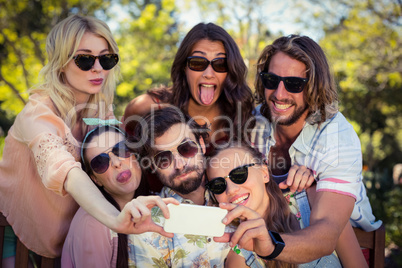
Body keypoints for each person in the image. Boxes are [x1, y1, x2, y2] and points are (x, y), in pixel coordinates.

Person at [0, 14, 148, 263]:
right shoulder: (36, 114)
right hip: (14, 232)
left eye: (106, 58)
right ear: (60, 63)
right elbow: (66, 170)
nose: (98, 68)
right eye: (85, 59)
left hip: (76, 230)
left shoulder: (102, 110)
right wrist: (113, 219)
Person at [244, 34, 381, 264]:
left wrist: (270, 245)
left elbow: (327, 235)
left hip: (346, 244)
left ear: (314, 87)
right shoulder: (253, 124)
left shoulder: (337, 137)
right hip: (274, 231)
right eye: (271, 79)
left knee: (311, 192)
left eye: (294, 84)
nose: (279, 94)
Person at [127, 107, 263, 267]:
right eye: (164, 158)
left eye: (186, 148)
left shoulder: (239, 193)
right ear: (152, 166)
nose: (179, 165)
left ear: (202, 145)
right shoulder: (145, 228)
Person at [207, 142, 370, 268]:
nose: (231, 189)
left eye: (239, 174)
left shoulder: (313, 201)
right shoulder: (239, 253)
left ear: (264, 174)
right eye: (218, 185)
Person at [123, 22, 255, 149]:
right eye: (198, 62)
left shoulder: (241, 115)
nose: (209, 74)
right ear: (184, 67)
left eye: (220, 63)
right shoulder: (146, 107)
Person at [61, 125, 178, 267]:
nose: (116, 163)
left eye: (121, 149)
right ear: (95, 179)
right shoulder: (93, 223)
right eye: (101, 162)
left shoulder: (152, 200)